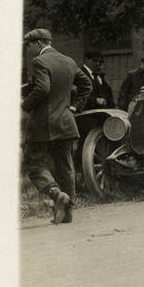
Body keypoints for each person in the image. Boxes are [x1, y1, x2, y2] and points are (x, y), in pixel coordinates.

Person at [21, 28, 92, 225]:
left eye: (29, 45)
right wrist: (75, 106)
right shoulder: (69, 61)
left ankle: (54, 192)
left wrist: (25, 104)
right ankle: (67, 213)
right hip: (66, 122)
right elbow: (87, 84)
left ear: (39, 43)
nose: (28, 50)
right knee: (66, 166)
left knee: (32, 162)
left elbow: (43, 88)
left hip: (43, 123)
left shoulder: (39, 61)